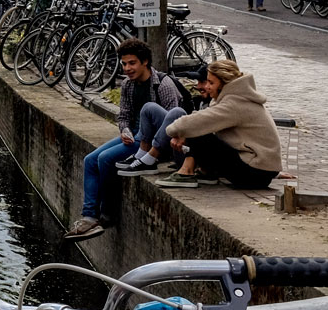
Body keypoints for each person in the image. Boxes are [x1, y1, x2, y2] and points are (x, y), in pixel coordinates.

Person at [64, 39, 183, 241]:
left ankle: (107, 214)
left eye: (132, 63)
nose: (127, 68)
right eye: (124, 64)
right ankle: (89, 216)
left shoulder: (163, 84)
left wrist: (155, 147)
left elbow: (172, 121)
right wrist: (124, 130)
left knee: (105, 159)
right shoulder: (128, 85)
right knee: (90, 160)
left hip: (152, 144)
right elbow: (124, 115)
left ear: (145, 62)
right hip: (134, 137)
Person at [156, 60, 282, 190]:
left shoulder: (234, 103)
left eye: (211, 83)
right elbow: (204, 116)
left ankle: (186, 172)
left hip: (254, 173)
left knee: (198, 130)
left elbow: (197, 122)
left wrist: (173, 131)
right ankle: (206, 173)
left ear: (224, 83)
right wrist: (182, 132)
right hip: (259, 171)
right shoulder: (237, 97)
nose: (207, 87)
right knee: (198, 127)